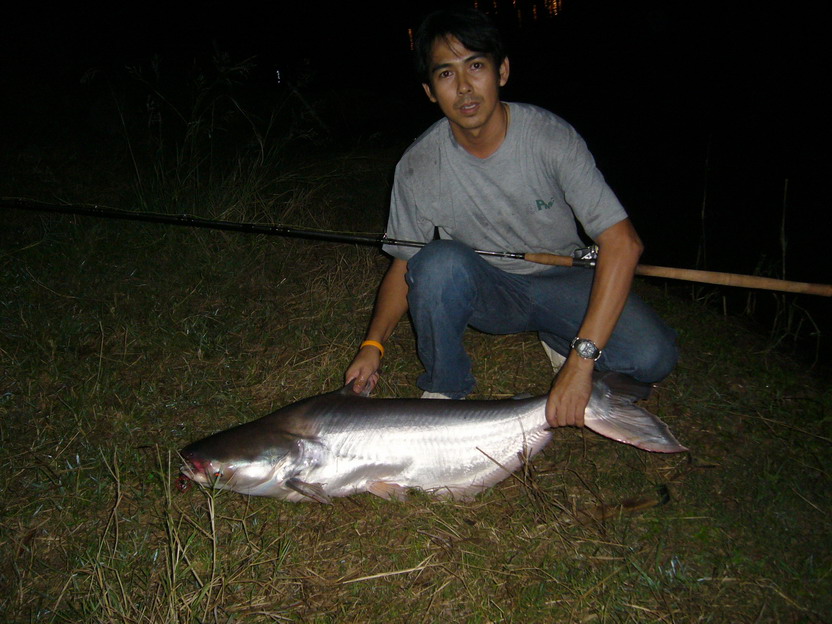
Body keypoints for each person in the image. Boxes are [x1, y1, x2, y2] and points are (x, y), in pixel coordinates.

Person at [345, 7, 677, 427]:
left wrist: (581, 363)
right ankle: (445, 389)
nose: (464, 87)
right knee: (437, 261)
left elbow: (623, 243)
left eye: (476, 66)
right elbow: (404, 263)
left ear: (501, 71)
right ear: (430, 90)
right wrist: (373, 344)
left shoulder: (549, 137)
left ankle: (564, 338)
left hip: (564, 276)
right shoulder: (417, 165)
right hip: (490, 291)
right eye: (446, 74)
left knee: (653, 358)